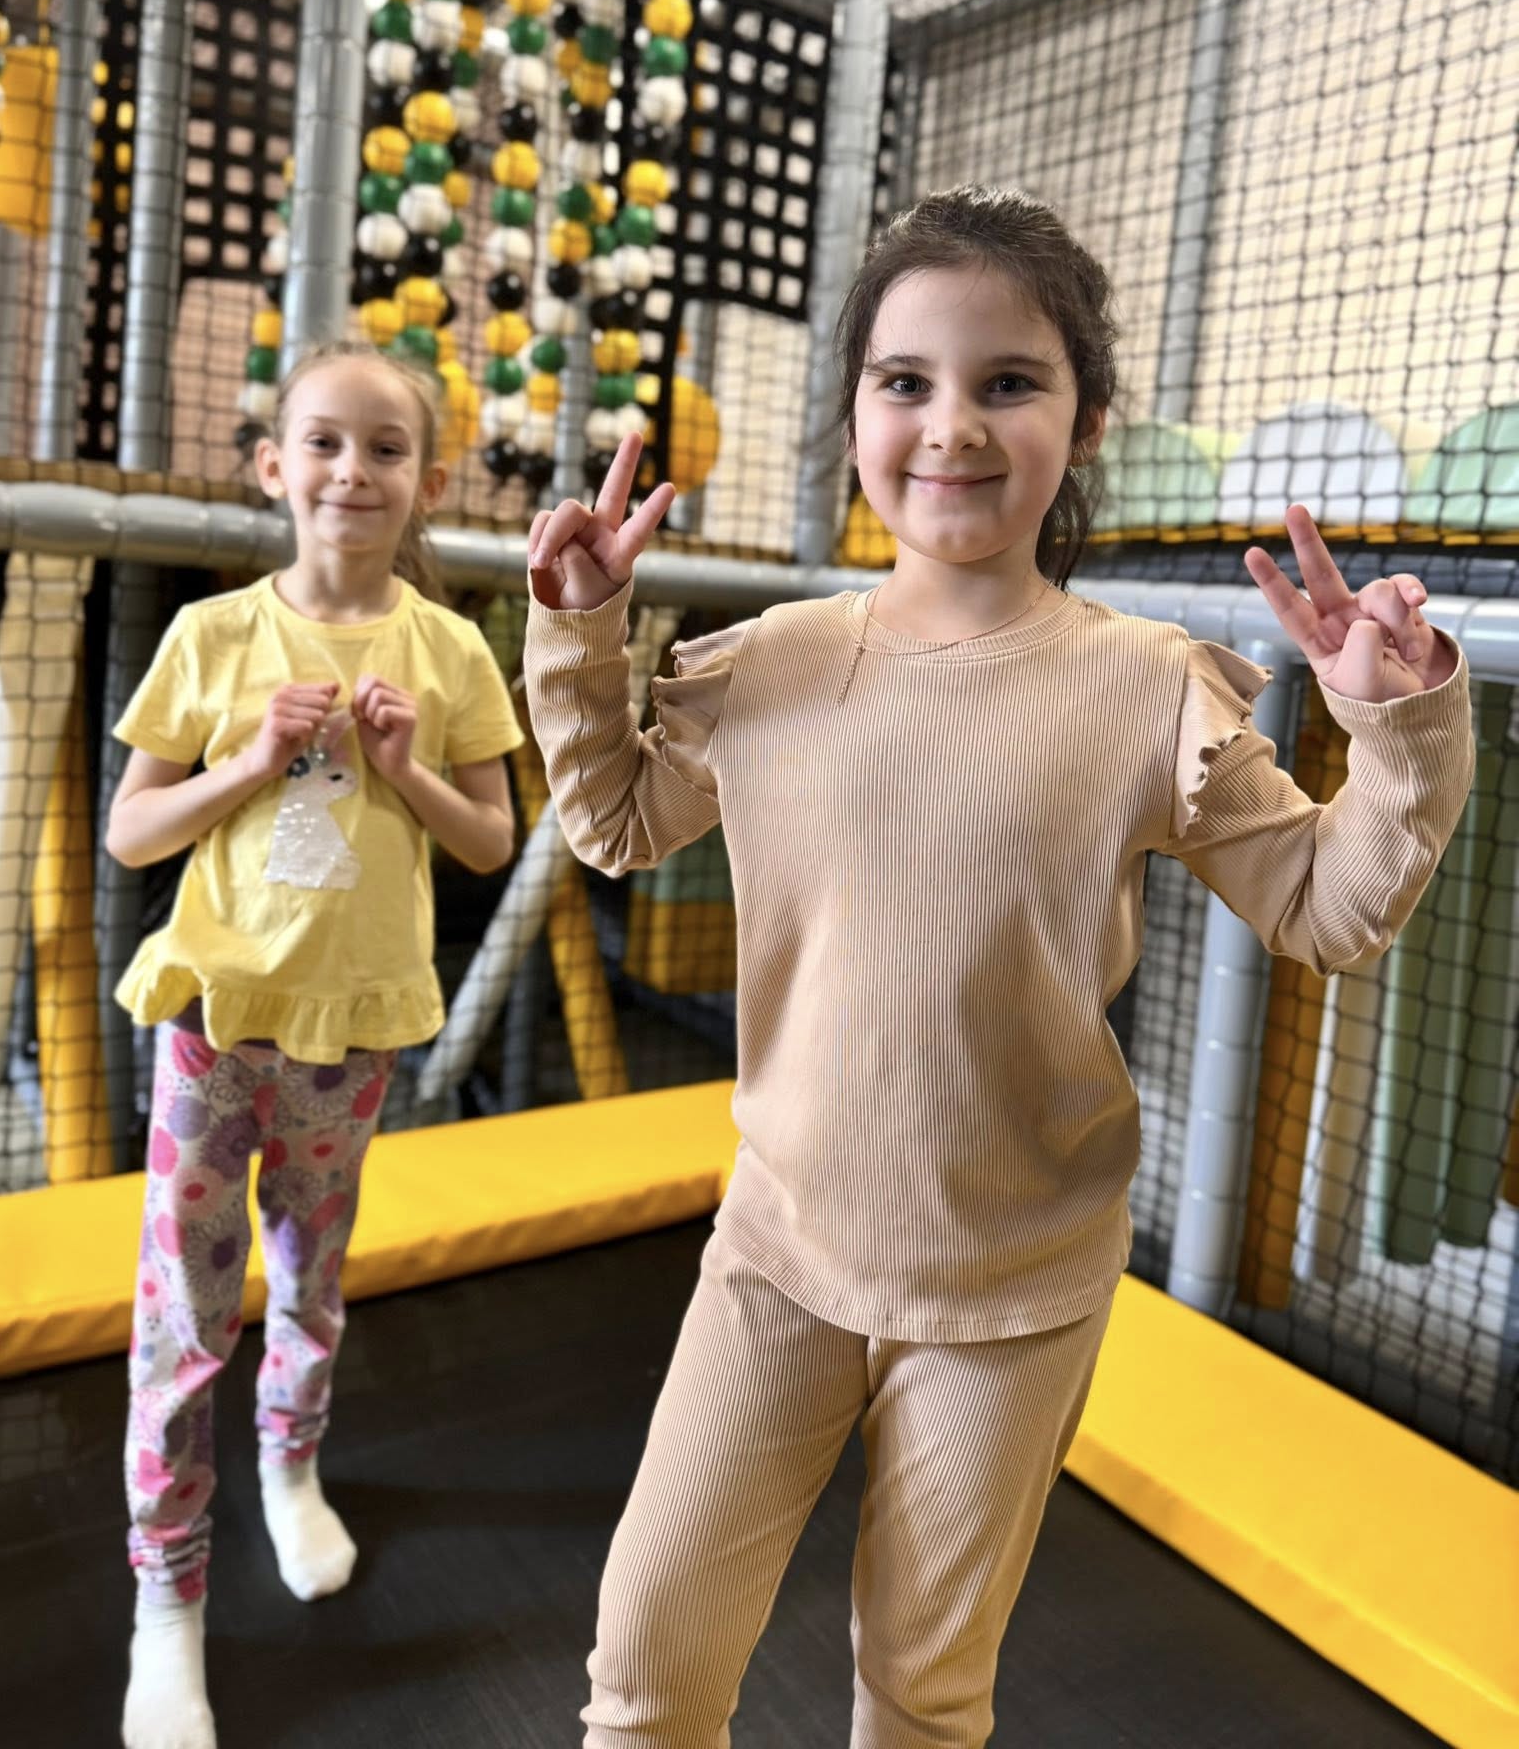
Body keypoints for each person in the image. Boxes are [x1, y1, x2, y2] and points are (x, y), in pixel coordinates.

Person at [522, 186, 1474, 1748]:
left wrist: (1400, 726)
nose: (952, 425)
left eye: (1009, 382)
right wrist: (580, 631)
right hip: (778, 1253)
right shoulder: (770, 665)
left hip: (1014, 1294)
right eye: (906, 381)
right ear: (854, 416)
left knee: (923, 1694)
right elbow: (615, 820)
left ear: (1083, 423)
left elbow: (1327, 905)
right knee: (645, 1669)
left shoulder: (1144, 689)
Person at [107, 344, 523, 1749]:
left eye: (387, 449)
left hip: (354, 1033)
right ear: (275, 466)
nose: (355, 472)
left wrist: (404, 769)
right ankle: (167, 1591)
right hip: (219, 1024)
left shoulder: (449, 650)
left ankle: (291, 1470)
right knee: (184, 1311)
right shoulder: (215, 635)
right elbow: (132, 831)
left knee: (310, 1281)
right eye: (326, 445)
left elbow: (491, 839)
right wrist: (243, 764)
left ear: (428, 482)